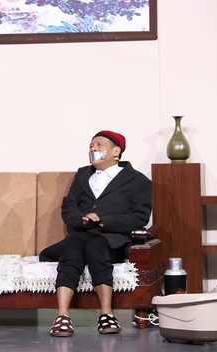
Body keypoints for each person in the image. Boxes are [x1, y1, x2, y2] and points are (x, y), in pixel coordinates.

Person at [40, 131, 152, 336]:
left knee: (96, 249)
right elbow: (69, 206)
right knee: (72, 248)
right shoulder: (83, 174)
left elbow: (140, 216)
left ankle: (106, 314)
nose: (93, 148)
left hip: (111, 237)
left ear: (116, 151)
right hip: (83, 233)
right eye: (91, 145)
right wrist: (82, 219)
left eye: (99, 145)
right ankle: (62, 316)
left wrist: (103, 221)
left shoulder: (137, 181)